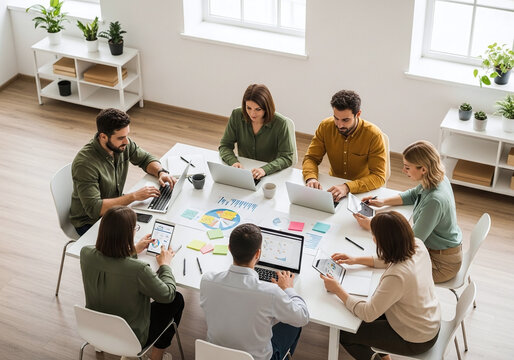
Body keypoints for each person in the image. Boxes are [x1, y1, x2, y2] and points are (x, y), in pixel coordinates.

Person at [321, 211, 441, 360]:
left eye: (374, 235)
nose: (373, 238)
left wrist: (337, 289)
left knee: (345, 333)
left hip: (415, 338)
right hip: (428, 321)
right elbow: (391, 258)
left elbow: (368, 313)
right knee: (359, 315)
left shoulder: (397, 276)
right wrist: (356, 259)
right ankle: (384, 355)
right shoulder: (417, 245)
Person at [80, 206, 184, 360]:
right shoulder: (139, 270)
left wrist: (132, 250)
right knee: (176, 299)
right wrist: (165, 265)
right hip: (131, 337)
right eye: (135, 227)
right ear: (128, 233)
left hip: (94, 329)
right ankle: (156, 357)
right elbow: (167, 295)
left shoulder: (85, 253)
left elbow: (111, 263)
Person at [354, 140, 462, 283]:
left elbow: (408, 245)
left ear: (423, 169)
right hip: (434, 250)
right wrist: (383, 202)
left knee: (391, 274)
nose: (403, 171)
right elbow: (412, 195)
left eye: (407, 167)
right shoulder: (436, 180)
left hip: (441, 264)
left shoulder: (434, 201)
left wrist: (374, 226)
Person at [200, 223, 309, 360]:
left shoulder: (207, 280)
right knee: (293, 324)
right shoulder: (270, 292)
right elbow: (303, 316)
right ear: (258, 253)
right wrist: (288, 289)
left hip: (215, 355)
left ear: (229, 249)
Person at [70, 108, 176, 235]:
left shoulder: (122, 144)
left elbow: (145, 159)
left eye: (127, 136)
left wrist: (161, 172)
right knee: (142, 235)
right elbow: (94, 209)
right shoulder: (85, 164)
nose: (126, 141)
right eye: (121, 138)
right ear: (103, 136)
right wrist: (133, 196)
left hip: (115, 210)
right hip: (90, 222)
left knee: (158, 222)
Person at [302, 90, 386, 201]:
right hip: (333, 185)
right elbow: (311, 158)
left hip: (362, 191)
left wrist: (347, 187)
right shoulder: (325, 126)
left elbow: (378, 176)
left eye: (346, 120)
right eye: (336, 118)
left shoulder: (374, 135)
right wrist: (311, 178)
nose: (340, 125)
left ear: (358, 114)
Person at [219, 84, 295, 179]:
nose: (252, 114)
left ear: (266, 108)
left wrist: (265, 169)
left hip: (269, 175)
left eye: (258, 109)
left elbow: (287, 157)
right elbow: (225, 145)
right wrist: (234, 162)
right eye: (248, 108)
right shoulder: (237, 115)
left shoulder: (280, 123)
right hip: (244, 171)